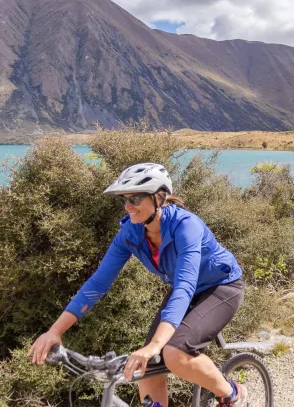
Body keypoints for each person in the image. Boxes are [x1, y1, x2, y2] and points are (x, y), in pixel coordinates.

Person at [28, 163, 248, 407]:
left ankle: (231, 393)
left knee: (173, 354)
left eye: (135, 199)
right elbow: (98, 283)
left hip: (221, 288)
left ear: (160, 197)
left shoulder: (186, 226)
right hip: (183, 290)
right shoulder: (129, 234)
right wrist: (55, 331)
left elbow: (185, 285)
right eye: (125, 199)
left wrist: (155, 345)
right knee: (147, 366)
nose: (127, 206)